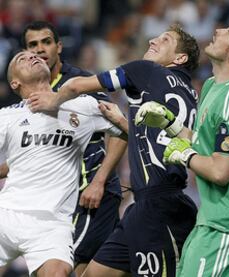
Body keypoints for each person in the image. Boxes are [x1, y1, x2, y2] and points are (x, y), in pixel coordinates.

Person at [28, 24, 200, 276]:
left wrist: (53, 99)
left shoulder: (146, 70)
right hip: (146, 205)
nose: (153, 39)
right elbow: (160, 138)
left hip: (158, 205)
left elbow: (78, 85)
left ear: (180, 58)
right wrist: (122, 122)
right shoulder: (191, 93)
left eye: (165, 40)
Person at [135, 14, 229, 276]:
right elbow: (199, 140)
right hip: (211, 220)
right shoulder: (212, 86)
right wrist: (170, 123)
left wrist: (185, 156)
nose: (219, 29)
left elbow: (221, 172)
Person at [0, 51, 126, 276]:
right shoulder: (7, 116)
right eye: (22, 58)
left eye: (34, 55)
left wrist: (100, 179)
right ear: (14, 83)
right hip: (7, 213)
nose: (33, 57)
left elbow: (123, 131)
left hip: (53, 221)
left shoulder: (83, 105)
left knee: (59, 272)